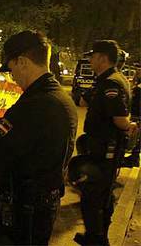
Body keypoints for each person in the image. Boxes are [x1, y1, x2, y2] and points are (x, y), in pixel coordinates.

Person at [0, 31, 78, 245]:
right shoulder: (61, 97)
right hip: (43, 204)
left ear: (22, 61)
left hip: (26, 210)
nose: (12, 74)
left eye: (12, 67)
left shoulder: (34, 105)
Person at [74, 40, 138, 245]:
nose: (90, 60)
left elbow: (120, 120)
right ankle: (97, 235)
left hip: (105, 149)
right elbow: (84, 101)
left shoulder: (111, 83)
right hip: (99, 146)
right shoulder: (105, 80)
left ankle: (97, 239)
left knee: (94, 196)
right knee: (98, 193)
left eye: (93, 56)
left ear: (102, 58)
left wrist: (130, 125)